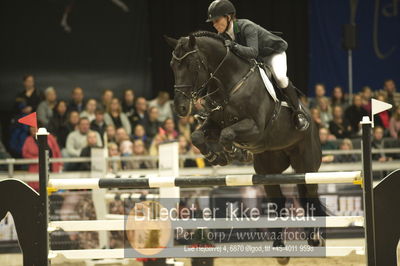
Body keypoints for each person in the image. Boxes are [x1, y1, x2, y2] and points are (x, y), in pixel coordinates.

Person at [206, 0, 308, 130]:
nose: (214, 25)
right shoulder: (222, 35)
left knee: (280, 77)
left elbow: (253, 52)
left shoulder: (246, 26)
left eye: (216, 20)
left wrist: (233, 46)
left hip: (273, 53)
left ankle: (298, 112)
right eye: (213, 22)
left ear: (228, 17)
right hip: (256, 58)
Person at [22, 126, 62, 190]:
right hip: (35, 168)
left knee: (53, 188)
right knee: (37, 190)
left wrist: (60, 164)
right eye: (31, 128)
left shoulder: (50, 137)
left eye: (35, 127)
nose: (33, 129)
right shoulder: (28, 140)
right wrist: (35, 159)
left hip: (52, 167)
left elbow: (57, 151)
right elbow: (25, 154)